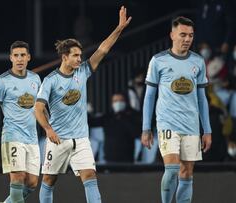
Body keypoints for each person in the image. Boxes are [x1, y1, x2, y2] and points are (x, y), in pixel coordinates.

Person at [35, 6, 131, 203]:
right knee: (48, 180)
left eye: (80, 55)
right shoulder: (51, 80)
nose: (80, 58)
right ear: (64, 57)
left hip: (81, 139)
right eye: (76, 55)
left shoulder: (82, 72)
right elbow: (38, 109)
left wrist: (119, 28)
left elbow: (103, 49)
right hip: (58, 140)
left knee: (90, 176)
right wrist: (48, 129)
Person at [141, 16, 212, 203]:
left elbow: (202, 99)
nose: (187, 39)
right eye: (183, 34)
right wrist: (146, 128)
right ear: (172, 35)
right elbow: (149, 97)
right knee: (172, 169)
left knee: (186, 173)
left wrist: (208, 130)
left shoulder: (198, 62)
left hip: (191, 125)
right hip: (167, 124)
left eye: (190, 35)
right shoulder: (158, 61)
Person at [0, 41, 41, 203]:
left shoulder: (35, 79)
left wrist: (50, 128)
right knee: (17, 178)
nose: (19, 59)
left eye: (23, 55)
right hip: (12, 136)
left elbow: (40, 107)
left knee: (31, 183)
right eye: (16, 55)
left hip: (32, 138)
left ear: (28, 57)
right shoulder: (1, 81)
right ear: (11, 58)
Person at [102, 92, 139, 163]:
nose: (118, 103)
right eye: (115, 101)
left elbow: (137, 133)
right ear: (112, 103)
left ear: (126, 102)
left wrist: (124, 117)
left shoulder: (133, 116)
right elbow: (92, 122)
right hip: (109, 158)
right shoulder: (108, 117)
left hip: (127, 158)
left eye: (121, 100)